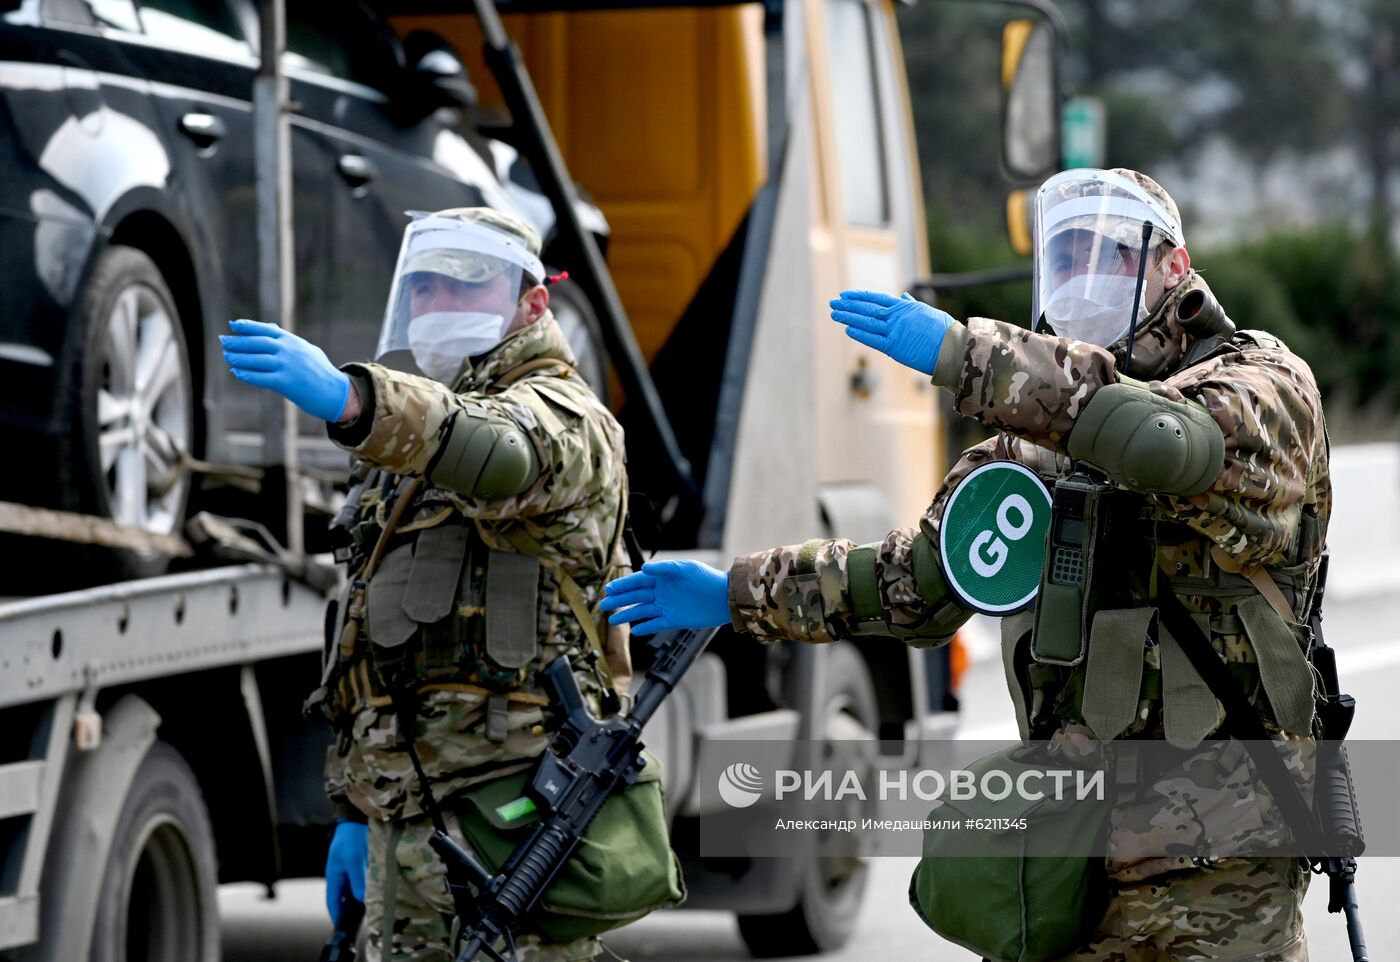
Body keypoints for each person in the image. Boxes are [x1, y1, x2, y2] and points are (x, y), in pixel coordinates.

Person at [601, 169, 1328, 961]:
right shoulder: (1027, 449)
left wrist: (964, 354)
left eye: (1112, 255)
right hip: (1072, 857)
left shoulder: (1261, 387)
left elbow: (1160, 442)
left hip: (1227, 855)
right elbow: (913, 586)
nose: (1085, 276)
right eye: (1067, 255)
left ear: (1174, 267)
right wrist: (736, 593)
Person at [222, 208, 638, 962]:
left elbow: (502, 455)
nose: (439, 306)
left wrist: (352, 400)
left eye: (464, 288)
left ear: (532, 304)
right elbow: (365, 638)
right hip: (404, 823)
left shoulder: (568, 414)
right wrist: (356, 810)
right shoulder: (405, 449)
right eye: (424, 290)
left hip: (514, 823)